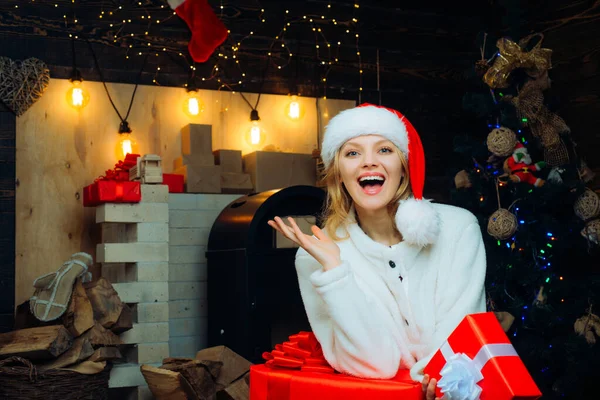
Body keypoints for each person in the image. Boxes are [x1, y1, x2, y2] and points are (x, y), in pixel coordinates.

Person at [268, 103, 487, 400]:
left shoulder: (458, 229)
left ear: (404, 166)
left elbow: (459, 343)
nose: (369, 163)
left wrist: (435, 381)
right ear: (338, 174)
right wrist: (336, 273)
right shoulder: (315, 257)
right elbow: (374, 365)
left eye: (384, 150)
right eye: (353, 153)